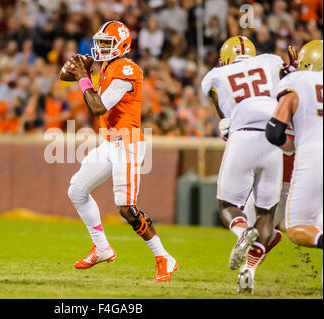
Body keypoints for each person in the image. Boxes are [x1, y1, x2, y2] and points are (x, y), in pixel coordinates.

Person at [63, 21, 178, 282]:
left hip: (127, 142)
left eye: (106, 44)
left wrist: (83, 77)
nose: (100, 48)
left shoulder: (127, 69)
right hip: (109, 142)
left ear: (122, 46)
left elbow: (97, 108)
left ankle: (163, 257)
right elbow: (64, 76)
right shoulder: (106, 66)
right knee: (77, 190)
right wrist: (74, 68)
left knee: (126, 209)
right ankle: (102, 248)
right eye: (99, 43)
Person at [201, 36, 297, 293]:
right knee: (266, 217)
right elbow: (290, 86)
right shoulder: (272, 62)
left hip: (244, 133)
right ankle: (249, 270)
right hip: (274, 138)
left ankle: (242, 231)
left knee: (228, 205)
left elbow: (222, 108)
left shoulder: (216, 74)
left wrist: (227, 123)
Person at [265, 39, 323, 268]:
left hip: (314, 153)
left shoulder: (296, 81)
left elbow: (273, 131)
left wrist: (289, 146)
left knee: (297, 227)